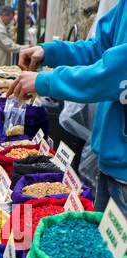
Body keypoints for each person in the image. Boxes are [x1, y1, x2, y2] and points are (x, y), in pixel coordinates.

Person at [7, 0, 127, 217]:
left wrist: (45, 82)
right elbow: (98, 50)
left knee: (116, 250)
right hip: (111, 164)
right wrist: (48, 51)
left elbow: (112, 73)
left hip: (124, 173)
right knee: (100, 248)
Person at [0, 6, 28, 71]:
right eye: (9, 19)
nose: (10, 22)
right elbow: (9, 46)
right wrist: (26, 48)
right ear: (4, 15)